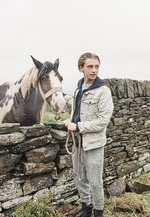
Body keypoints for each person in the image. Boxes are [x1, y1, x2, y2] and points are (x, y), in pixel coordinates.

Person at [65, 52, 114, 217]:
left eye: (97, 66)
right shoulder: (78, 89)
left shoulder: (103, 91)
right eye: (90, 66)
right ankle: (86, 209)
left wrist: (78, 126)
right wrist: (68, 122)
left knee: (95, 181)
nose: (94, 70)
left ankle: (98, 212)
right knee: (79, 178)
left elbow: (102, 121)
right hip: (78, 142)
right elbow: (76, 113)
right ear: (81, 68)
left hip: (93, 144)